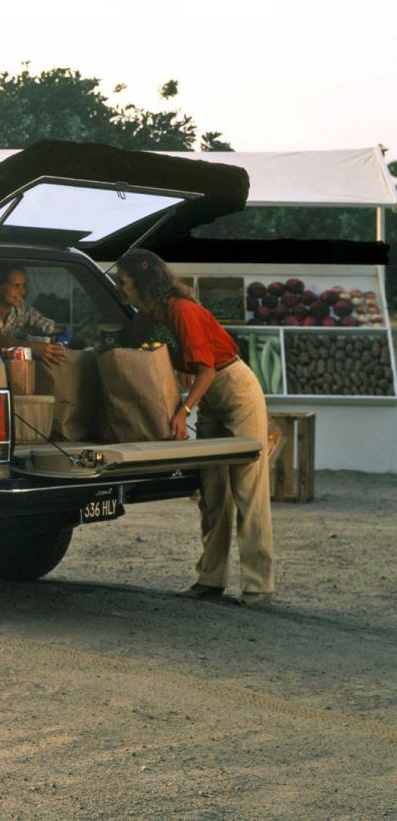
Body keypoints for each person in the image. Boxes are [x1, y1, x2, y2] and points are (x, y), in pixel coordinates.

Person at [114, 249, 274, 607]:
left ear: (141, 281)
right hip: (208, 396)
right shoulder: (148, 316)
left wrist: (183, 408)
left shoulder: (182, 311)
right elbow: (136, 356)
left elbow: (206, 370)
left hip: (233, 388)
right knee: (212, 490)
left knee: (248, 488)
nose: (119, 288)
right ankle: (210, 579)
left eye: (121, 281)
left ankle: (258, 586)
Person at [0, 264, 68, 367]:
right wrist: (33, 347)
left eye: (23, 286)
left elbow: (46, 325)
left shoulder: (21, 309)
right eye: (16, 286)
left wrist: (69, 336)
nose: (22, 292)